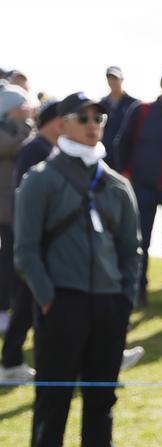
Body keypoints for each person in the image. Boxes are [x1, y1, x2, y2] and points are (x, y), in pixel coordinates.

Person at [14, 92, 140, 447]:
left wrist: (124, 300)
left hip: (108, 303)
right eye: (82, 117)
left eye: (99, 117)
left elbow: (130, 250)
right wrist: (48, 299)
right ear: (61, 124)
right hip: (60, 303)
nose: (92, 124)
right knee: (53, 399)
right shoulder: (40, 179)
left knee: (102, 398)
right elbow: (25, 250)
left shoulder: (117, 185)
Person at [117, 68, 162, 308]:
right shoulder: (142, 111)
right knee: (141, 241)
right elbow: (122, 142)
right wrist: (125, 174)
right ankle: (139, 290)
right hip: (143, 186)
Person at [2, 100, 60, 381]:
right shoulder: (34, 149)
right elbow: (22, 197)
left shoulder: (50, 149)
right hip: (30, 241)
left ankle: (12, 361)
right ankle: (12, 362)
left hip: (42, 241)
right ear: (51, 121)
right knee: (28, 301)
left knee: (27, 302)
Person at [0, 85, 33, 329]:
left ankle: (9, 305)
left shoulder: (17, 128)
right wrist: (26, 127)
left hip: (11, 207)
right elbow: (10, 146)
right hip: (4, 207)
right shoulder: (9, 130)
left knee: (12, 258)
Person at [100, 66, 138, 170]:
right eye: (110, 78)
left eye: (115, 78)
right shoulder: (101, 104)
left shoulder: (134, 104)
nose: (112, 81)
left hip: (126, 160)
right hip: (104, 158)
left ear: (122, 80)